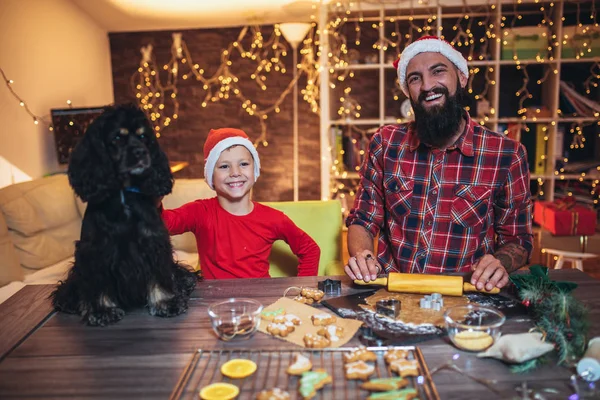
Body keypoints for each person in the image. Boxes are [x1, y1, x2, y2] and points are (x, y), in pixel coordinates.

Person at [345, 36, 533, 291]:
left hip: (468, 296)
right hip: (393, 295)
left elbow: (518, 239)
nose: (427, 85)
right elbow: (363, 220)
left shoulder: (506, 154)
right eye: (415, 78)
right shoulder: (385, 143)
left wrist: (498, 262)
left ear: (461, 77)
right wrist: (364, 256)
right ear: (407, 91)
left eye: (438, 71)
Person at [159, 128, 320, 279]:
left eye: (243, 164)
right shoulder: (199, 212)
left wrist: (302, 291)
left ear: (254, 170)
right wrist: (152, 192)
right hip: (214, 304)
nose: (235, 173)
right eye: (224, 166)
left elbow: (311, 250)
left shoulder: (274, 219)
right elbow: (164, 223)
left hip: (262, 305)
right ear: (211, 177)